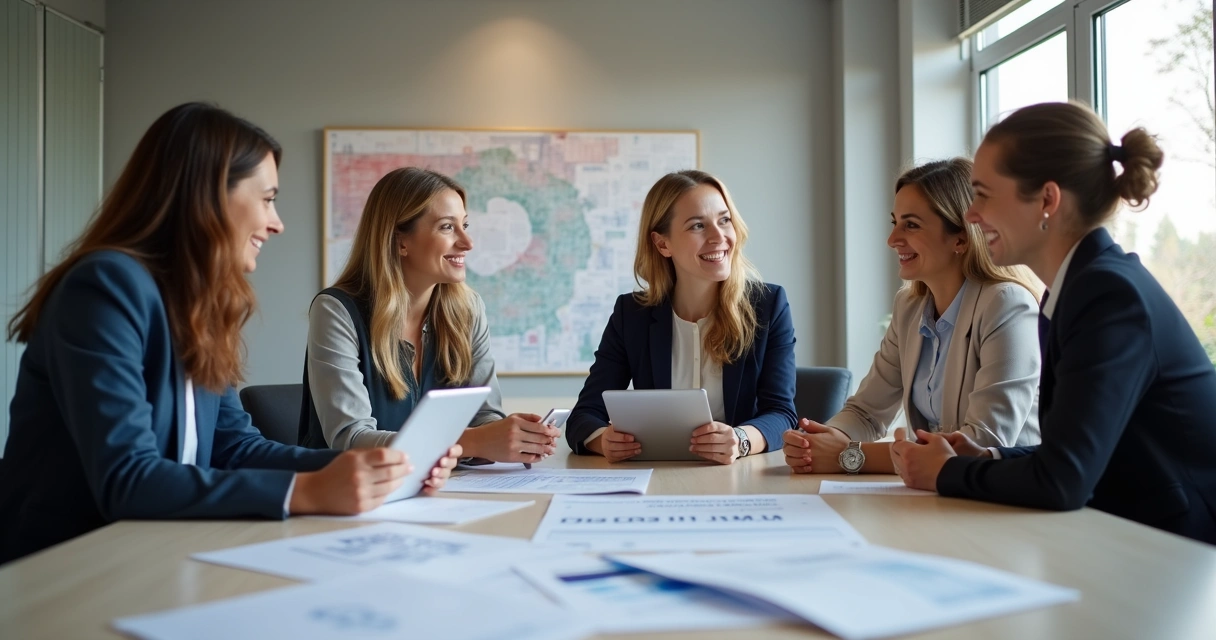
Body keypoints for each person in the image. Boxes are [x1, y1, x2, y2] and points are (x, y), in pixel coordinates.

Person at [0, 103, 459, 565]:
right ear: (209, 194)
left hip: (153, 554)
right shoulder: (105, 287)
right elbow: (128, 478)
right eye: (267, 198)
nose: (276, 222)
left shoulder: (199, 304)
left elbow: (233, 447)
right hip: (63, 568)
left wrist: (372, 468)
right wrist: (306, 490)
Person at [893, 102, 1216, 545]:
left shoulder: (1107, 294)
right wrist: (989, 455)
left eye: (983, 195)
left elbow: (1065, 478)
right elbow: (1070, 453)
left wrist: (949, 470)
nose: (970, 215)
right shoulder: (1077, 288)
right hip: (1134, 536)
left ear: (1047, 199)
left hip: (1180, 553)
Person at [782, 159, 1042, 474]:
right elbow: (866, 412)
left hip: (1002, 499)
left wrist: (848, 455)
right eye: (895, 223)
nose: (893, 239)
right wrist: (821, 441)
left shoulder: (1007, 305)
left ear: (961, 237)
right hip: (934, 491)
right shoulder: (910, 306)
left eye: (912, 225)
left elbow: (983, 443)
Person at [299, 167, 560, 463]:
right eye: (447, 227)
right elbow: (350, 438)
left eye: (465, 224)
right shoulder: (337, 310)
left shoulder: (468, 309)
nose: (467, 242)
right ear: (400, 241)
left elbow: (485, 416)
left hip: (442, 492)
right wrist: (473, 442)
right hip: (349, 497)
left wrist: (512, 437)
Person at [566, 169, 797, 464]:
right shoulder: (631, 315)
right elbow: (584, 417)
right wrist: (603, 440)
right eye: (698, 225)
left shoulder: (768, 305)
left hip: (741, 478)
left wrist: (740, 440)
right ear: (663, 244)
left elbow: (782, 414)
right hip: (656, 476)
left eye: (724, 220)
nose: (719, 236)